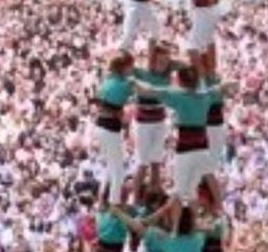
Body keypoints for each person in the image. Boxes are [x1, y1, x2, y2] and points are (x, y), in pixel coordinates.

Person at [129, 62, 235, 206]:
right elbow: (226, 86)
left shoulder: (177, 95)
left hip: (185, 149)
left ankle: (175, 225)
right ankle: (219, 208)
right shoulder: (206, 95)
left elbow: (148, 90)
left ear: (180, 81)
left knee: (179, 193)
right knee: (201, 183)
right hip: (202, 147)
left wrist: (133, 80)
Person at [133, 42, 175, 200]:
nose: (163, 65)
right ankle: (136, 199)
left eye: (166, 62)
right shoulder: (142, 73)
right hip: (143, 123)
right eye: (160, 62)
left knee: (156, 162)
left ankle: (156, 196)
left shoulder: (167, 78)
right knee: (143, 163)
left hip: (159, 121)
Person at [94, 53, 136, 207]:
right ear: (124, 67)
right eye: (131, 66)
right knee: (118, 171)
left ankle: (102, 202)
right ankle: (114, 205)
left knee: (111, 168)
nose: (133, 69)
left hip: (100, 126)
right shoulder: (123, 85)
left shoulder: (109, 80)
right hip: (110, 129)